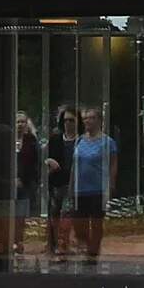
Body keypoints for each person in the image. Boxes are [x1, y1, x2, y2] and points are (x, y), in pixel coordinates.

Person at [71, 106, 118, 265]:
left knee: (96, 223)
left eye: (91, 118)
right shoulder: (79, 140)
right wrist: (71, 186)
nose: (87, 121)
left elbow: (113, 165)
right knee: (79, 223)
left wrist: (110, 187)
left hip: (97, 188)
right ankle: (86, 247)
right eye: (85, 119)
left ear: (99, 120)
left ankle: (92, 254)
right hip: (80, 189)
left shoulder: (107, 142)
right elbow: (74, 165)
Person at [44, 105, 77, 257]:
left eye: (71, 120)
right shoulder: (55, 140)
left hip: (71, 184)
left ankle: (63, 246)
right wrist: (48, 161)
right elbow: (43, 158)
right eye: (65, 121)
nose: (68, 124)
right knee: (53, 216)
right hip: (55, 183)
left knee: (66, 215)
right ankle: (54, 244)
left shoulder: (80, 141)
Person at [12, 111, 41, 255]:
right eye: (18, 122)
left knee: (21, 215)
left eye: (23, 122)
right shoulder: (8, 140)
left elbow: (35, 164)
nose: (20, 124)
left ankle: (19, 242)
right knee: (10, 215)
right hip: (9, 183)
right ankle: (10, 241)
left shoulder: (31, 140)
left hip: (26, 184)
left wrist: (30, 181)